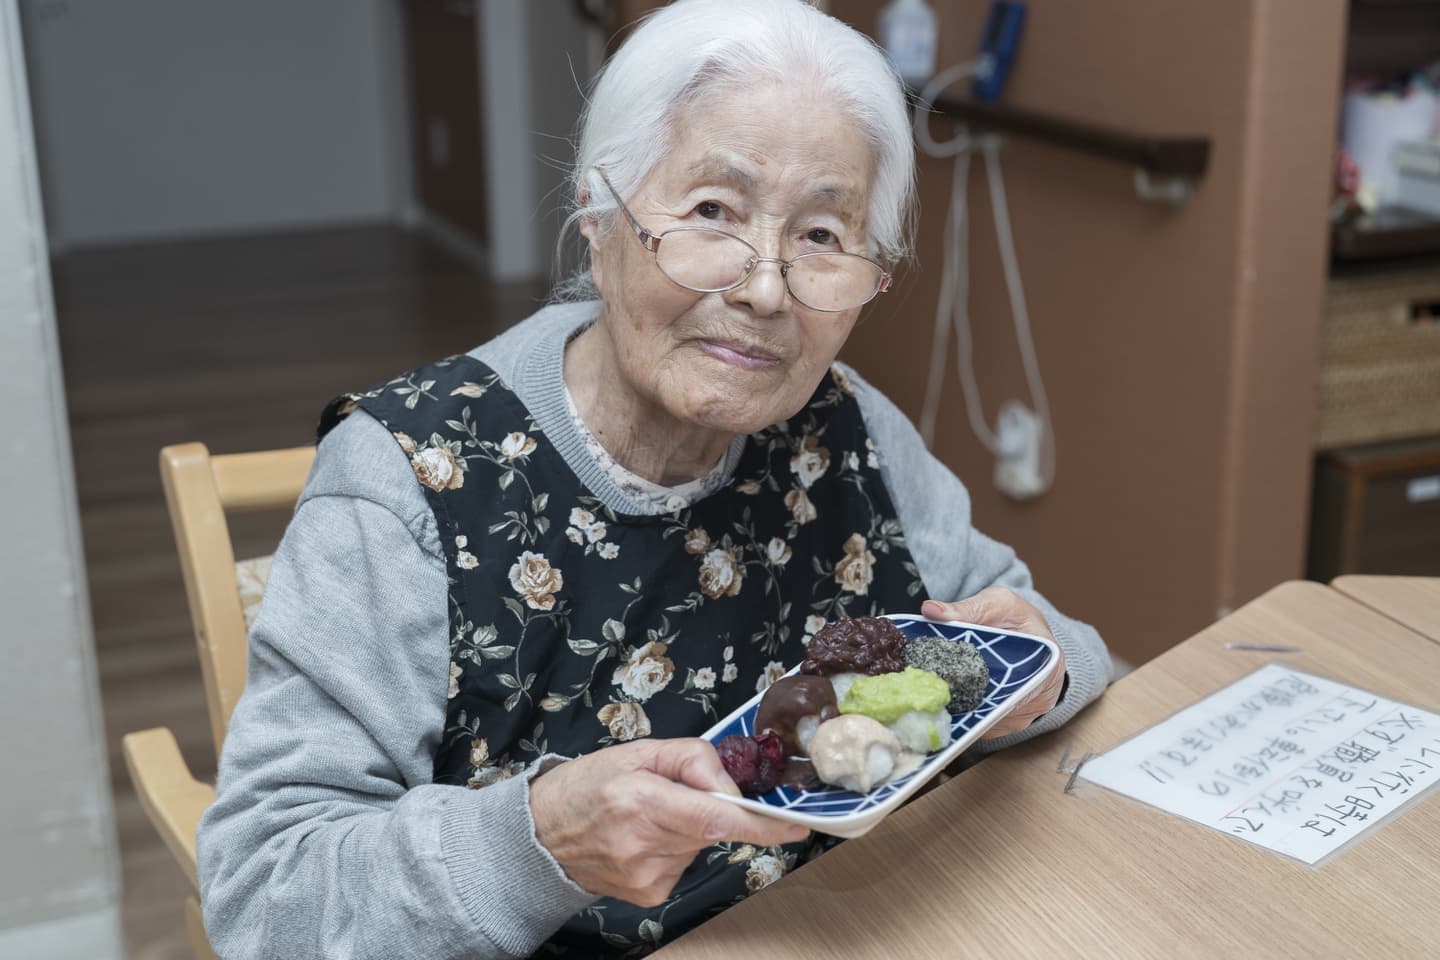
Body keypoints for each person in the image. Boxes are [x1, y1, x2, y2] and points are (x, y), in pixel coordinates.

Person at [197, 1, 1112, 957]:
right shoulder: (410, 484)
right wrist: (536, 842)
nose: (766, 289)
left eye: (822, 236)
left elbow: (1047, 650)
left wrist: (1034, 670)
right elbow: (266, 895)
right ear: (598, 216)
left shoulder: (849, 427)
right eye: (713, 210)